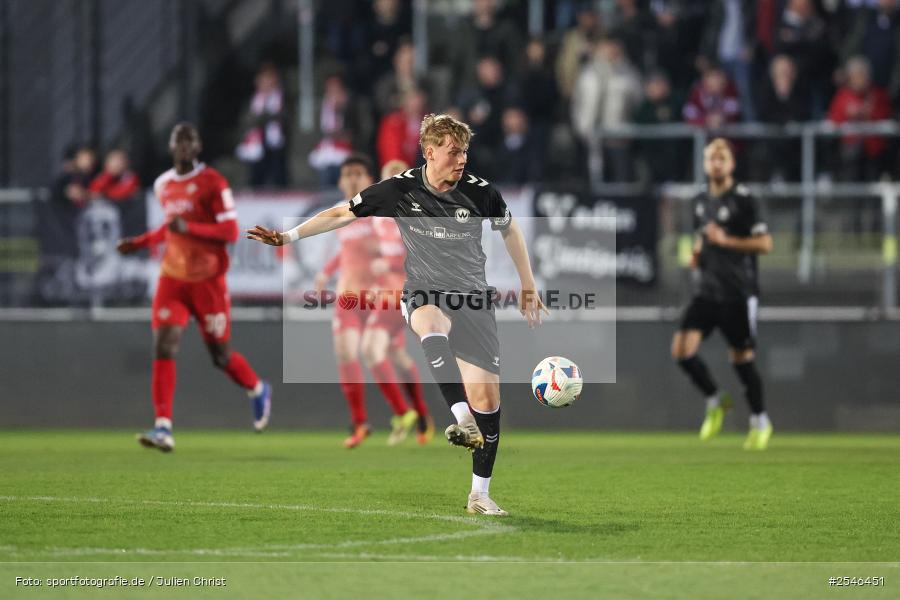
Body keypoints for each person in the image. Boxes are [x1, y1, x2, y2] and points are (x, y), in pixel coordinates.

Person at [248, 114, 547, 516]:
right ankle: (462, 418)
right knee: (430, 323)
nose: (461, 160)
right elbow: (340, 213)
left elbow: (510, 230)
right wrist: (288, 236)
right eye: (453, 152)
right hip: (423, 289)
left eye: (465, 152)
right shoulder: (400, 189)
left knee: (488, 400)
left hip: (473, 298)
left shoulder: (481, 192)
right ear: (430, 152)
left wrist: (527, 283)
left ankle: (479, 493)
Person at [117, 123, 272, 452]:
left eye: (190, 140)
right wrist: (142, 243)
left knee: (220, 356)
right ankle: (163, 427)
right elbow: (171, 228)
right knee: (165, 344)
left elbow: (230, 231)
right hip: (172, 279)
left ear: (198, 146)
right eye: (178, 140)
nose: (184, 146)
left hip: (208, 282)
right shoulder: (163, 184)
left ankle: (258, 389)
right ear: (172, 146)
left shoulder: (213, 182)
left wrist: (191, 227)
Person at [671, 138, 774, 451]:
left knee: (741, 360)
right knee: (681, 350)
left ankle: (760, 420)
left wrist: (726, 239)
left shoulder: (744, 199)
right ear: (705, 164)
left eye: (722, 157)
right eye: (711, 158)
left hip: (738, 292)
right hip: (707, 291)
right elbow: (703, 236)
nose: (716, 163)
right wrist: (698, 253)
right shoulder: (699, 200)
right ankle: (715, 400)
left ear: (731, 164)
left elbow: (766, 244)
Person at [312, 155, 419, 448]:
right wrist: (325, 273)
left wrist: (387, 259)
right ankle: (360, 423)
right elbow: (346, 251)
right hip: (348, 298)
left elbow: (399, 247)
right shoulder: (342, 214)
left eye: (358, 174)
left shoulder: (379, 212)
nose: (352, 179)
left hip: (377, 298)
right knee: (346, 354)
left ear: (368, 179)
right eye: (347, 174)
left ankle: (406, 411)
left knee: (382, 354)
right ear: (339, 181)